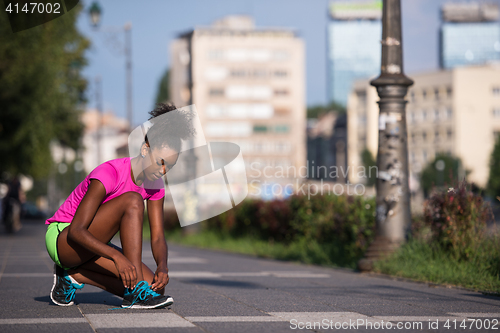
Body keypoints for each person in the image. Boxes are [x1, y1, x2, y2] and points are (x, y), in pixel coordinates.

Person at [45, 103, 194, 309]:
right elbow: (77, 231)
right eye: (160, 161)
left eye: (169, 166)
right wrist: (116, 257)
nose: (163, 170)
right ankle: (134, 293)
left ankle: (73, 275)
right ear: (145, 149)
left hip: (93, 243)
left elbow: (158, 236)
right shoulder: (109, 173)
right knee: (132, 200)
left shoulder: (156, 186)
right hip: (65, 239)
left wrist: (163, 266)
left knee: (155, 288)